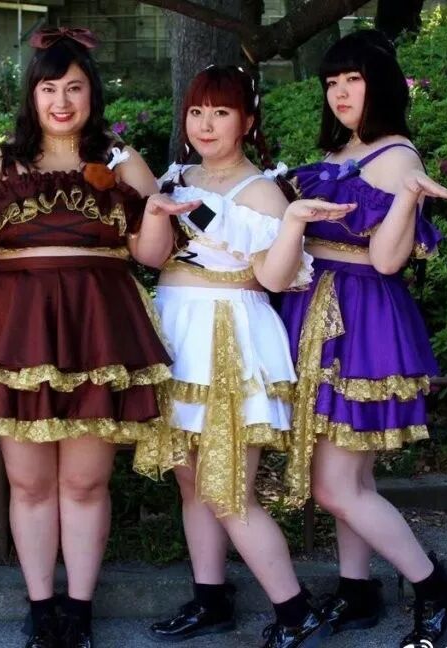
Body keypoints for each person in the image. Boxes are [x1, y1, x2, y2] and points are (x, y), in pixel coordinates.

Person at [0, 26, 200, 648]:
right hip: (18, 331)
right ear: (32, 95)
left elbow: (151, 255)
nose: (61, 101)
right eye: (49, 88)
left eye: (74, 88)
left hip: (98, 329)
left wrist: (155, 213)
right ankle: (40, 608)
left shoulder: (121, 161)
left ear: (92, 94)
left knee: (84, 482)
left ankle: (78, 611)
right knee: (29, 483)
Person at [135, 64, 354, 648]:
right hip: (176, 331)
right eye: (197, 111)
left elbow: (276, 279)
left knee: (228, 486)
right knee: (191, 481)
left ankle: (295, 612)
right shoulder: (177, 176)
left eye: (221, 112)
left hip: (229, 335)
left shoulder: (260, 191)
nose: (205, 124)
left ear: (247, 121)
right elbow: (152, 258)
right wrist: (153, 211)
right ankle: (210, 599)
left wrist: (293, 225)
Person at [276, 30, 447, 648]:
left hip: (361, 320)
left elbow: (387, 261)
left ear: (380, 84)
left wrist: (409, 197)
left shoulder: (397, 158)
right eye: (332, 82)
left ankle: (435, 585)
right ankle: (357, 588)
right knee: (351, 481)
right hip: (317, 308)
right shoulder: (343, 151)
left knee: (335, 485)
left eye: (353, 80)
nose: (339, 92)